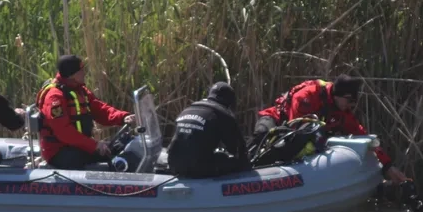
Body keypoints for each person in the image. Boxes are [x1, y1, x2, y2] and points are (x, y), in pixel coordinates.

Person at [253, 74, 408, 183]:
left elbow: (363, 136)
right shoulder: (307, 97)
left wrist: (387, 166)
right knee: (261, 135)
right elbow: (295, 129)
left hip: (298, 134)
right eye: (350, 100)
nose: (352, 105)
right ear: (337, 95)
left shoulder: (341, 111)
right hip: (276, 121)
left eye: (355, 101)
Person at [35, 54, 132, 169]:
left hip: (78, 146)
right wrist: (94, 145)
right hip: (59, 151)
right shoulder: (54, 97)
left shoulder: (80, 89)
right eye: (81, 71)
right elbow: (64, 132)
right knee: (107, 159)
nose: (84, 73)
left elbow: (99, 109)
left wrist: (123, 117)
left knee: (117, 149)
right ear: (72, 75)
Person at [167, 82, 251, 178]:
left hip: (173, 165)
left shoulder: (187, 110)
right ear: (230, 101)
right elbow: (237, 149)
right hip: (199, 169)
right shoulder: (224, 115)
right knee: (230, 160)